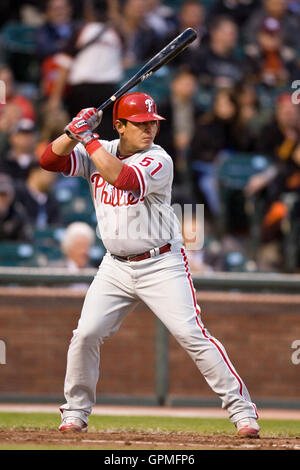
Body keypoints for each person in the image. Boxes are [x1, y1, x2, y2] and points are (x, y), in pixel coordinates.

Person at [40, 92, 259, 437]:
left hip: (161, 262)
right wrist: (70, 134)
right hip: (115, 267)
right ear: (120, 126)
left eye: (153, 123)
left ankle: (243, 411)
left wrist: (87, 137)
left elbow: (123, 180)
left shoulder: (159, 159)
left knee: (192, 334)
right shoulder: (103, 149)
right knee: (85, 334)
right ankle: (75, 412)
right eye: (140, 124)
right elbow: (48, 161)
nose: (149, 129)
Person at [0, 172, 32, 242]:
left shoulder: (17, 213)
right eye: (0, 194)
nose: (2, 199)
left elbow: (27, 241)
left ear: (11, 195)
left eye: (5, 194)